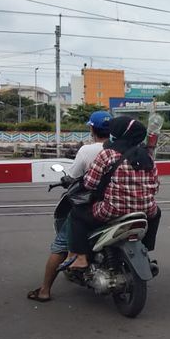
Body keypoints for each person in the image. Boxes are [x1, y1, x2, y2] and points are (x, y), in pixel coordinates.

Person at [26, 111, 111, 302]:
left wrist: (66, 179)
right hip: (118, 203)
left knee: (61, 244)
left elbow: (73, 176)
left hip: (92, 204)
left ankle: (44, 290)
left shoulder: (87, 150)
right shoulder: (122, 149)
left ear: (92, 129)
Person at [64, 116, 160, 271]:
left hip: (113, 209)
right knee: (157, 212)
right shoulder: (148, 157)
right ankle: (146, 249)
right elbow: (155, 186)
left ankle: (80, 257)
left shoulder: (107, 154)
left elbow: (90, 183)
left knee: (77, 213)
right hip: (145, 210)